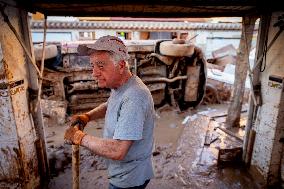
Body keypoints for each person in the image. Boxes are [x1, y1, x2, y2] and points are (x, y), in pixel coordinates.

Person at [64, 35, 155, 189]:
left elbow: (118, 150)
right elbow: (109, 104)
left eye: (101, 66)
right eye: (92, 66)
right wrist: (87, 117)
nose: (94, 73)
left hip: (128, 178)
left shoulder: (134, 97)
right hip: (125, 170)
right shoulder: (122, 86)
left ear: (120, 65)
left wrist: (80, 137)